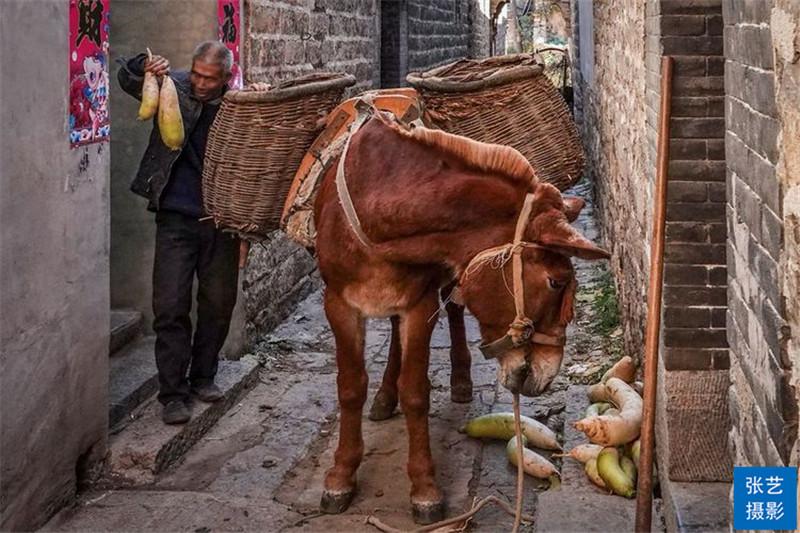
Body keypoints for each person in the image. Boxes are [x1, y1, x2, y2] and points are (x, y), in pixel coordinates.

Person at [118, 41, 266, 424]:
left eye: (209, 78)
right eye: (196, 73)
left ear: (225, 78)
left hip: (220, 220)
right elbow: (128, 77)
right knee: (170, 306)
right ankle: (172, 394)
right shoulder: (174, 85)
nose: (200, 83)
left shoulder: (237, 106)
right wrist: (144, 63)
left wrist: (264, 97)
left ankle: (203, 377)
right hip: (175, 218)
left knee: (218, 304)